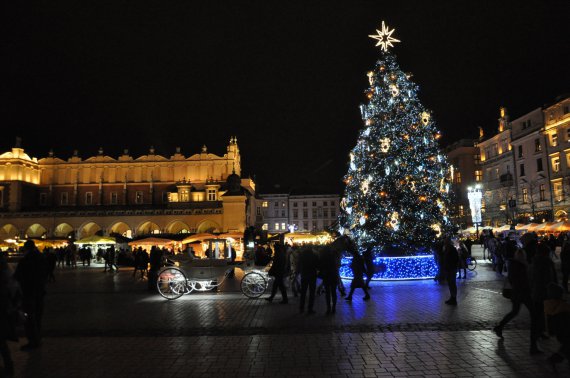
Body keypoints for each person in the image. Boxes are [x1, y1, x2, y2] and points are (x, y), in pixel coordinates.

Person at [493, 249, 541, 355]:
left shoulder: (514, 265)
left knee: (514, 312)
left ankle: (499, 327)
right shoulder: (521, 265)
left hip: (517, 293)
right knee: (533, 314)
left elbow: (512, 279)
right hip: (524, 293)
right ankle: (533, 344)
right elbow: (525, 280)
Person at [13, 240, 48, 350]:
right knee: (38, 316)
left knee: (29, 317)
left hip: (28, 292)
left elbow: (17, 276)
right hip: (40, 291)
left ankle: (33, 341)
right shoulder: (42, 258)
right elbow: (46, 272)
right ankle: (38, 338)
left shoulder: (26, 260)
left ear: (26, 248)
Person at [0, 252, 21, 376]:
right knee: (2, 342)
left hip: (3, 310)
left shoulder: (4, 278)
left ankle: (8, 368)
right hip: (5, 311)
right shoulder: (7, 274)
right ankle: (9, 367)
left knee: (2, 342)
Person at [531, 242, 557, 338]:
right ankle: (543, 331)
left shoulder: (534, 261)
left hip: (536, 291)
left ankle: (539, 331)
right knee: (545, 312)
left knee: (539, 312)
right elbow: (550, 277)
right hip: (545, 291)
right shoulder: (546, 262)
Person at [543, 283, 570, 368]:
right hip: (564, 331)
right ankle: (553, 359)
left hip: (558, 332)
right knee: (567, 346)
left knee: (567, 346)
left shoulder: (549, 304)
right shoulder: (562, 306)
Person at [298, 246, 319, 314]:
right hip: (312, 275)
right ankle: (310, 309)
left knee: (303, 293)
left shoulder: (302, 255)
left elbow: (299, 264)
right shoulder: (314, 255)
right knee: (312, 293)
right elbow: (317, 265)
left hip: (304, 275)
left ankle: (301, 308)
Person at [319, 246, 339, 314]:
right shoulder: (334, 256)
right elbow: (337, 265)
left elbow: (321, 267)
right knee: (334, 292)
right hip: (333, 276)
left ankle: (328, 308)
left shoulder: (323, 257)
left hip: (326, 276)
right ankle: (334, 308)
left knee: (327, 293)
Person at [443, 237, 458, 305]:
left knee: (452, 283)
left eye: (445, 241)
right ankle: (452, 297)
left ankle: (454, 298)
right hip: (448, 269)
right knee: (450, 283)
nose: (444, 242)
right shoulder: (446, 248)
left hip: (451, 269)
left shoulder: (451, 249)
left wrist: (454, 266)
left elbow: (455, 258)